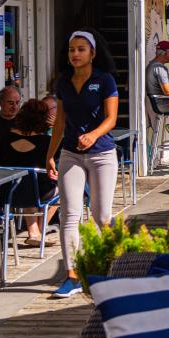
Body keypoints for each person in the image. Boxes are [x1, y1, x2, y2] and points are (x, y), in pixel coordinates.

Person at [46, 29, 119, 298]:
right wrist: (50, 154)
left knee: (101, 215)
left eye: (80, 49)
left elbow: (111, 119)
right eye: (71, 50)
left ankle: (115, 264)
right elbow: (60, 123)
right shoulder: (64, 83)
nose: (75, 54)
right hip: (70, 154)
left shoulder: (105, 80)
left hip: (102, 154)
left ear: (92, 54)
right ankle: (72, 276)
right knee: (69, 215)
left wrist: (94, 134)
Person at [0, 99, 57, 246]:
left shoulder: (5, 137)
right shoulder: (45, 141)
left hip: (9, 192)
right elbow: (54, 167)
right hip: (38, 192)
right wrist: (57, 129)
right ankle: (39, 230)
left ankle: (34, 231)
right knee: (61, 187)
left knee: (25, 181)